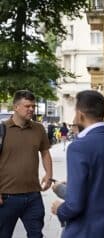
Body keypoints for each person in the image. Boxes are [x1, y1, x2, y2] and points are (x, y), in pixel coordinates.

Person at [51, 90, 104, 238]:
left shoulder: (78, 148)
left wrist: (59, 209)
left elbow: (74, 205)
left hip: (85, 232)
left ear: (80, 114)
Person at [0, 90, 53, 238]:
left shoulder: (39, 128)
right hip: (6, 197)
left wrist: (49, 174)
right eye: (27, 106)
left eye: (33, 106)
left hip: (33, 196)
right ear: (16, 107)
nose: (31, 109)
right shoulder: (2, 129)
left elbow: (45, 152)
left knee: (36, 235)